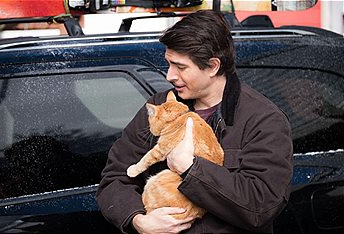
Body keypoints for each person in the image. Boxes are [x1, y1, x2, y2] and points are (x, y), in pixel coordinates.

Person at [96, 9, 293, 233]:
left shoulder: (263, 120)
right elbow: (114, 178)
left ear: (212, 66)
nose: (169, 76)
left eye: (180, 67)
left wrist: (190, 169)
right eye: (169, 64)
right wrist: (138, 221)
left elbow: (261, 206)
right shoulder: (162, 107)